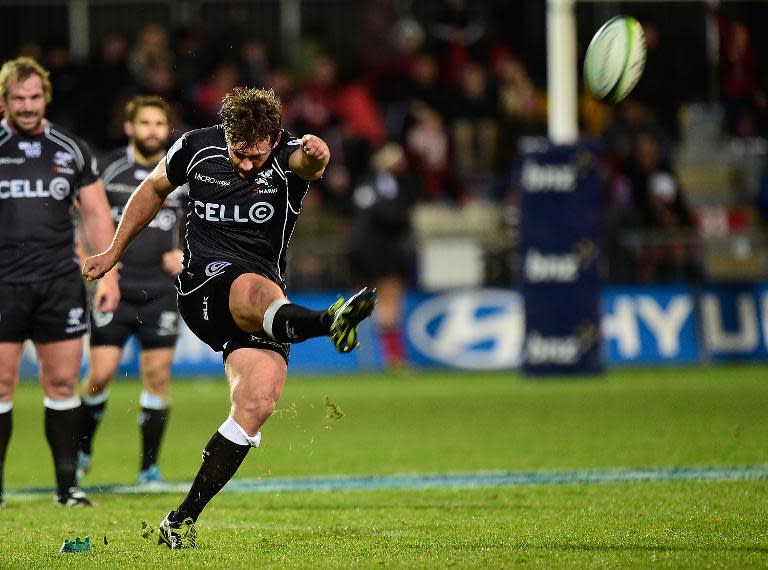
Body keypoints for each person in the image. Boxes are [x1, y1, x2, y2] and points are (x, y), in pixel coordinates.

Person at [82, 87, 376, 548]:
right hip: (205, 287)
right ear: (227, 135)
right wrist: (114, 253)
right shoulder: (196, 148)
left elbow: (310, 166)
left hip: (266, 309)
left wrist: (319, 155)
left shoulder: (287, 155)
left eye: (255, 156)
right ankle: (327, 322)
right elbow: (154, 190)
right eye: (238, 154)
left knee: (257, 404)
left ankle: (179, 520)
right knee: (252, 286)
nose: (245, 164)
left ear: (273, 138)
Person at [0, 57, 120, 507]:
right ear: (4, 100)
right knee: (1, 385)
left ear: (45, 97)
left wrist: (110, 272)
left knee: (64, 384)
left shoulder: (71, 148)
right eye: (18, 99)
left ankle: (68, 488)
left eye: (34, 97)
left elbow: (95, 213)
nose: (28, 106)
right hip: (3, 285)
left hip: (58, 283)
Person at [77, 95, 185, 486]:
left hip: (161, 292)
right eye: (146, 123)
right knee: (99, 376)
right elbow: (82, 223)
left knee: (157, 378)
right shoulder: (107, 170)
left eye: (160, 123)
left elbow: (201, 224)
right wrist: (94, 262)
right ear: (129, 128)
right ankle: (82, 449)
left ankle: (149, 469)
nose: (153, 130)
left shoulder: (180, 172)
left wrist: (185, 255)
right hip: (116, 291)